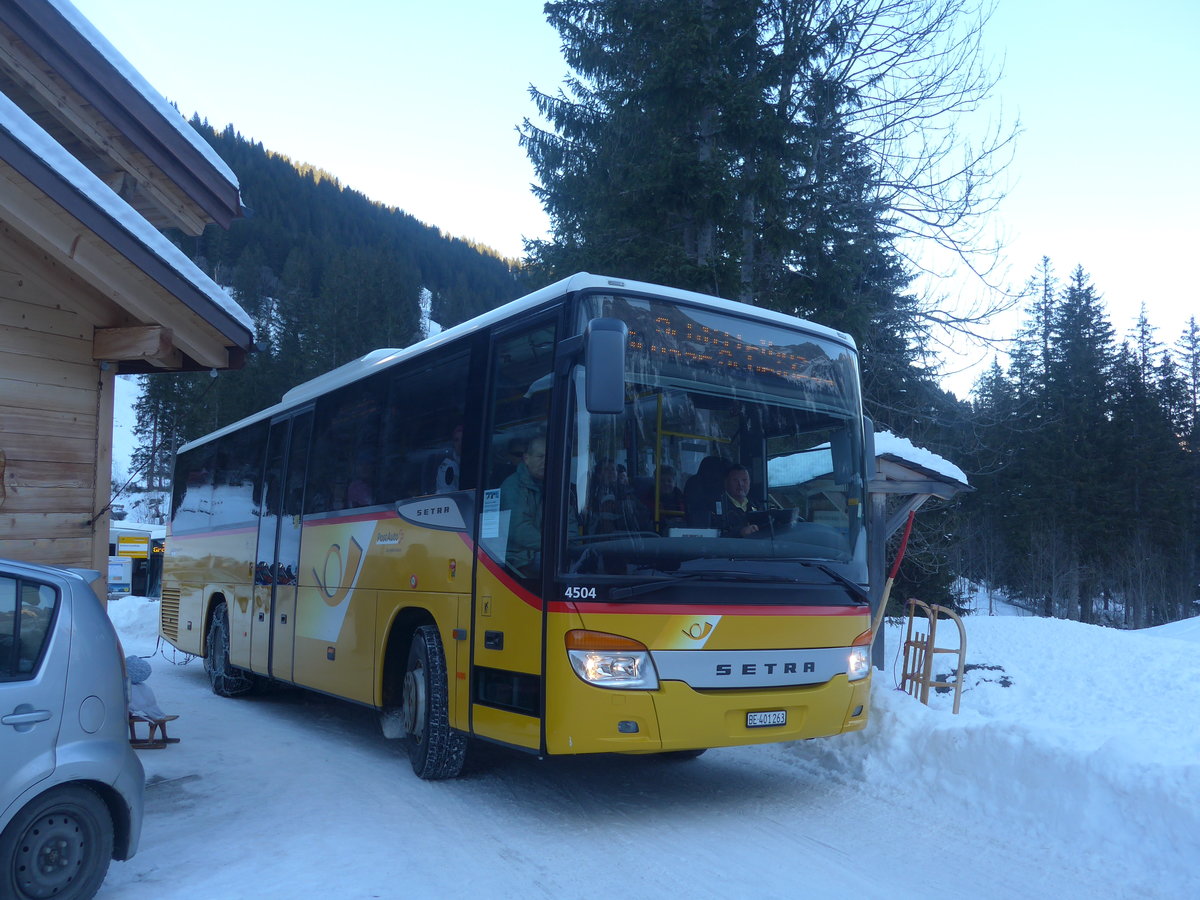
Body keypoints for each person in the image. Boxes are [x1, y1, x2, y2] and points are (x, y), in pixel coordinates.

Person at [500, 435, 546, 577]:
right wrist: (554, 548)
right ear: (526, 459)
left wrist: (570, 549)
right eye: (540, 456)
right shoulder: (512, 486)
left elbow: (569, 522)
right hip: (517, 558)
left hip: (541, 552)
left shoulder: (555, 485)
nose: (545, 462)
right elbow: (519, 529)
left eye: (549, 457)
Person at [719, 464, 760, 537]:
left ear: (750, 482)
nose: (740, 484)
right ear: (726, 483)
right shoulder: (718, 508)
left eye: (744, 480)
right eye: (735, 480)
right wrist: (740, 532)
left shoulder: (757, 505)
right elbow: (716, 536)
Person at [434, 423, 463, 492]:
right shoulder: (447, 467)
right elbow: (447, 494)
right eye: (456, 440)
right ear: (453, 444)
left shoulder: (479, 462)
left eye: (463, 439)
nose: (460, 443)